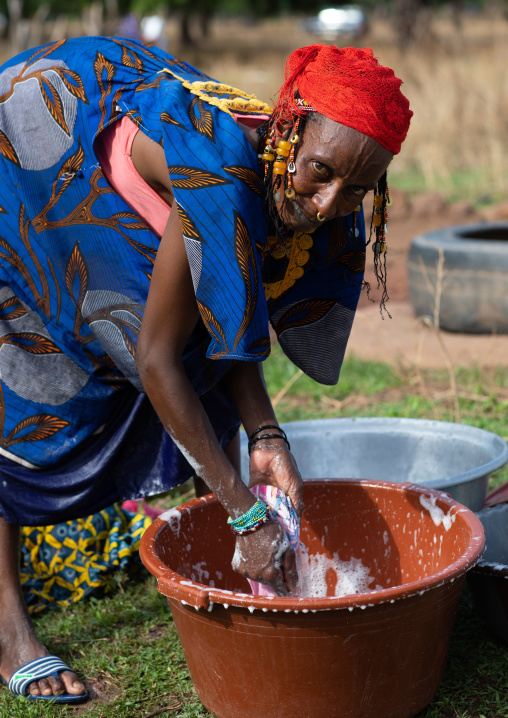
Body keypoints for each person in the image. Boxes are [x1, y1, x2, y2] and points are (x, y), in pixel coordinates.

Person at [0, 37, 411, 703]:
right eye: (322, 174)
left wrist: (268, 439)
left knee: (202, 374)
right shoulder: (222, 175)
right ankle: (8, 628)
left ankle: (217, 569)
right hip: (38, 139)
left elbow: (231, 315)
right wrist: (247, 516)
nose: (331, 204)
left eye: (358, 188)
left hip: (148, 164)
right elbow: (158, 360)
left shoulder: (302, 177)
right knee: (26, 380)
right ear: (288, 133)